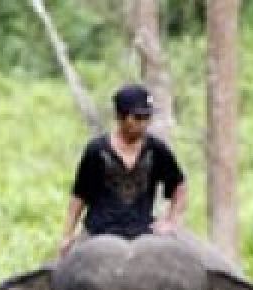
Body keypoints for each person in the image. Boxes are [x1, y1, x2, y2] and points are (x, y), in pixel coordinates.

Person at [59, 84, 188, 259]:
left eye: (147, 116)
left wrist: (171, 221)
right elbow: (79, 196)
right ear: (120, 117)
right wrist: (67, 235)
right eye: (138, 117)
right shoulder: (96, 150)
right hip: (99, 231)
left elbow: (178, 186)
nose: (144, 123)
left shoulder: (156, 150)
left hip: (142, 231)